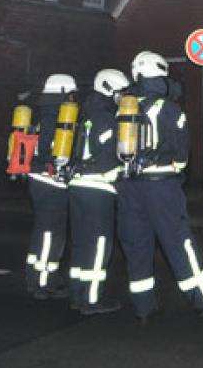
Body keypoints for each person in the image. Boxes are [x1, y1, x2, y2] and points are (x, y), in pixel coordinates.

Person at [117, 51, 203, 321]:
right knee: (179, 243)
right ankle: (202, 300)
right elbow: (182, 154)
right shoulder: (169, 108)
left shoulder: (123, 106)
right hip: (160, 187)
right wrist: (176, 168)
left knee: (136, 245)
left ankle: (144, 307)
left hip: (129, 187)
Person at [67, 69, 128, 315]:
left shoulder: (87, 114)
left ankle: (77, 294)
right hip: (97, 190)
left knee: (81, 244)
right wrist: (123, 173)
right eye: (120, 93)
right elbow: (106, 160)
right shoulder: (106, 118)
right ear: (108, 89)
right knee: (100, 244)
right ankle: (91, 299)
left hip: (78, 185)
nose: (122, 98)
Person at [25, 74, 78, 300]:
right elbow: (52, 150)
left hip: (37, 179)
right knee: (50, 233)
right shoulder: (56, 115)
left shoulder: (40, 112)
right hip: (50, 181)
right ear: (64, 92)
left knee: (43, 231)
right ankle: (43, 282)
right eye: (72, 94)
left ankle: (37, 277)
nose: (74, 99)